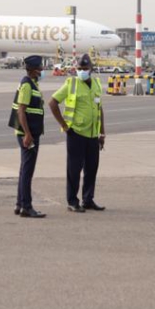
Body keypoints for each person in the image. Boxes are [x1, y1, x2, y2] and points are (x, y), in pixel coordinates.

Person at [49, 53, 107, 213]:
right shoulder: (71, 83)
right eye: (79, 68)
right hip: (76, 133)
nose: (82, 71)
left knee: (92, 168)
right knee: (74, 169)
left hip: (92, 135)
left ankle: (88, 199)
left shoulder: (96, 84)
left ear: (91, 69)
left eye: (85, 68)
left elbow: (99, 108)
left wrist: (102, 133)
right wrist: (64, 125)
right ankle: (72, 201)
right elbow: (52, 102)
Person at [12, 55, 46, 218]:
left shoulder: (32, 84)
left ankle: (20, 204)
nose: (42, 70)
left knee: (24, 170)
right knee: (27, 171)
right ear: (33, 70)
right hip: (28, 135)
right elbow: (21, 111)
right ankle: (27, 206)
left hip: (31, 133)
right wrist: (27, 134)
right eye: (40, 68)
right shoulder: (27, 85)